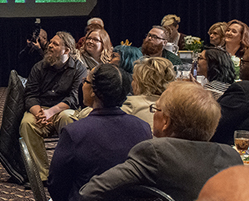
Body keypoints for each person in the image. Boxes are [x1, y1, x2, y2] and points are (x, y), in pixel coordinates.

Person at [80, 82, 243, 201]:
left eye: (156, 109)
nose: (153, 113)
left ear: (165, 121)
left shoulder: (155, 151)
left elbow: (90, 192)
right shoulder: (232, 156)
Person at [48, 64, 151, 201]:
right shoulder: (143, 128)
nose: (83, 84)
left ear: (93, 91)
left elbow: (56, 185)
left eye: (86, 81)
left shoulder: (74, 132)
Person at [19, 31, 87, 182]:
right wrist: (39, 113)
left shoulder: (78, 69)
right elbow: (30, 95)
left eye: (55, 44)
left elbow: (75, 98)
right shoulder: (39, 67)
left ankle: (69, 172)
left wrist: (51, 112)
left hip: (63, 109)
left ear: (67, 50)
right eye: (50, 42)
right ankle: (41, 176)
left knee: (68, 118)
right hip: (41, 109)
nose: (49, 45)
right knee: (27, 123)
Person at [121, 57, 175, 129]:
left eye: (134, 79)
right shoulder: (176, 106)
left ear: (142, 83)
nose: (132, 83)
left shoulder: (130, 105)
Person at [211, 49, 249, 145]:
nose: (240, 66)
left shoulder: (242, 90)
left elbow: (214, 121)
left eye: (243, 62)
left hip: (225, 150)